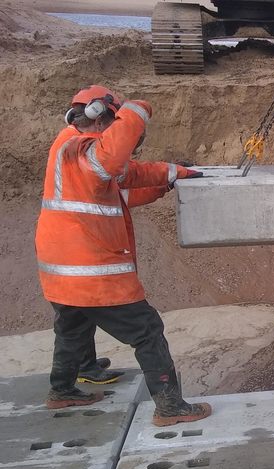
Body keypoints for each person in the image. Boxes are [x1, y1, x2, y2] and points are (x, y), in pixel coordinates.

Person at [35, 84, 211, 426]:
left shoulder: (73, 152)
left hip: (64, 272)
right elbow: (115, 160)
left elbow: (127, 181)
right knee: (147, 330)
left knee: (72, 328)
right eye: (115, 124)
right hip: (90, 272)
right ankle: (170, 407)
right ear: (103, 118)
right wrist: (137, 110)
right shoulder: (83, 151)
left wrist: (171, 175)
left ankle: (62, 390)